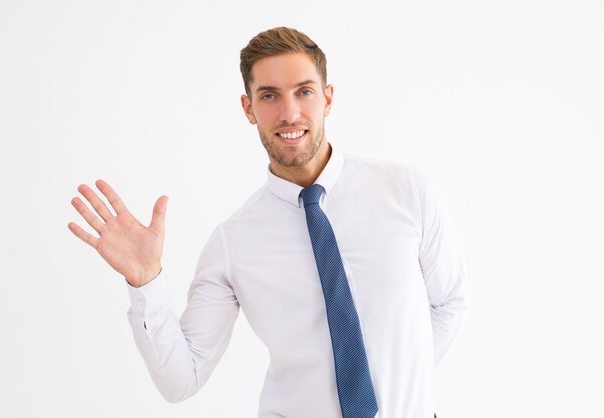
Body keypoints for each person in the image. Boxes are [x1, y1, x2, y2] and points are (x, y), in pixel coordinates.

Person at [68, 26, 469, 418]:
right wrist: (146, 282)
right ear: (249, 108)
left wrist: (400, 390)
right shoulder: (233, 242)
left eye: (304, 92)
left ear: (328, 99)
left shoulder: (408, 191)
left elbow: (449, 301)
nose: (289, 112)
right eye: (270, 96)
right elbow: (181, 380)